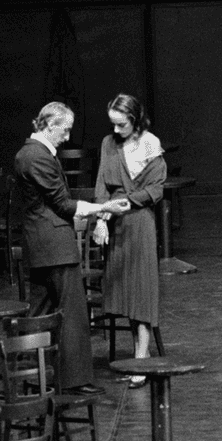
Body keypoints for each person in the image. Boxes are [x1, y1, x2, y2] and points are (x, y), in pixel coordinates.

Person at [13, 101, 130, 392]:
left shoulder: (31, 153)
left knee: (40, 313)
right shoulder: (37, 156)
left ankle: (26, 377)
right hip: (55, 247)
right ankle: (74, 381)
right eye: (64, 130)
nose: (67, 137)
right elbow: (63, 204)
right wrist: (103, 208)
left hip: (41, 246)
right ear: (49, 125)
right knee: (72, 314)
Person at [93, 93, 165, 388]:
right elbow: (101, 184)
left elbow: (156, 190)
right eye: (112, 124)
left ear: (134, 120)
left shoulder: (149, 144)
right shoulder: (108, 143)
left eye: (121, 124)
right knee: (125, 290)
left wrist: (125, 202)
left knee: (141, 291)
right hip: (116, 223)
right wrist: (101, 218)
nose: (116, 129)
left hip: (139, 223)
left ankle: (141, 358)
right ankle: (138, 354)